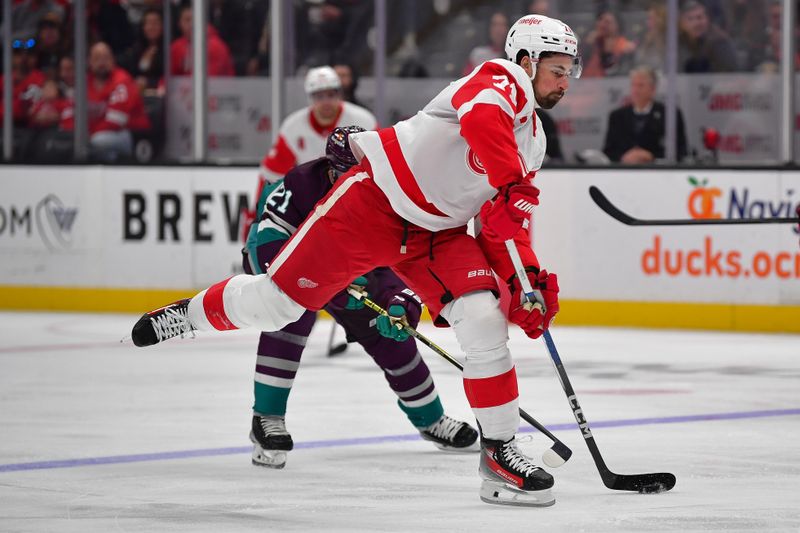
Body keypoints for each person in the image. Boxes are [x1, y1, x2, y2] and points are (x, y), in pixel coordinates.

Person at [131, 14, 580, 508]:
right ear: (526, 60)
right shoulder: (497, 79)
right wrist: (512, 182)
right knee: (278, 306)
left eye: (570, 71)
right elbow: (482, 121)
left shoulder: (533, 142)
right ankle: (190, 315)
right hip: (376, 204)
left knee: (484, 320)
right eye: (558, 69)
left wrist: (526, 283)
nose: (566, 81)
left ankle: (499, 454)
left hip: (439, 234)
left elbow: (498, 227)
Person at [244, 126, 479, 468]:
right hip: (294, 267)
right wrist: (305, 280)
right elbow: (267, 241)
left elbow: (410, 255)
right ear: (329, 167)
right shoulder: (300, 183)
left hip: (355, 275)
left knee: (392, 334)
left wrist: (401, 298)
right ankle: (266, 417)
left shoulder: (393, 187)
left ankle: (430, 420)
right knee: (287, 316)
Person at [255, 65, 377, 186]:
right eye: (319, 96)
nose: (326, 102)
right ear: (310, 98)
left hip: (353, 192)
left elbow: (380, 163)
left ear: (339, 94)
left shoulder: (364, 121)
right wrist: (260, 205)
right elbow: (271, 175)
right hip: (311, 196)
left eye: (331, 95)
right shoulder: (292, 128)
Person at [60, 42, 151, 162]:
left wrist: (86, 136)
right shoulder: (84, 82)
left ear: (113, 60)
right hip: (91, 134)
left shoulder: (122, 81)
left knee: (98, 142)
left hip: (127, 134)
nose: (101, 62)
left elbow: (115, 121)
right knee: (65, 140)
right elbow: (67, 115)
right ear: (89, 62)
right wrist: (74, 134)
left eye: (106, 58)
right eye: (97, 58)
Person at [602, 66, 687, 164]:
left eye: (641, 85)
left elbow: (680, 151)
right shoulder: (617, 116)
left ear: (653, 89)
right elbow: (608, 152)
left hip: (659, 174)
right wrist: (624, 157)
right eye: (633, 85)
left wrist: (651, 156)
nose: (635, 90)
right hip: (624, 174)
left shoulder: (670, 115)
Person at [170, 4, 235, 77]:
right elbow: (168, 78)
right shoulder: (176, 47)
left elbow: (209, 80)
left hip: (218, 87)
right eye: (187, 20)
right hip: (185, 87)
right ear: (179, 23)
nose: (192, 24)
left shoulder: (216, 46)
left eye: (196, 19)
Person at [678, 0, 739, 73]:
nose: (696, 23)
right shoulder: (680, 42)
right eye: (690, 19)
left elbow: (729, 75)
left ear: (707, 19)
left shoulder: (719, 42)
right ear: (682, 24)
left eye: (699, 17)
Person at [121, 8, 165, 95]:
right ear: (143, 27)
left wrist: (149, 82)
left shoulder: (169, 49)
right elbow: (130, 74)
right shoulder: (136, 49)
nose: (152, 27)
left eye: (155, 23)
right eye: (148, 23)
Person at [581, 10, 635, 77]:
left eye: (607, 22)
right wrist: (587, 45)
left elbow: (620, 73)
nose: (602, 24)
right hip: (588, 84)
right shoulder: (592, 43)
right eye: (600, 20)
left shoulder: (625, 46)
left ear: (617, 26)